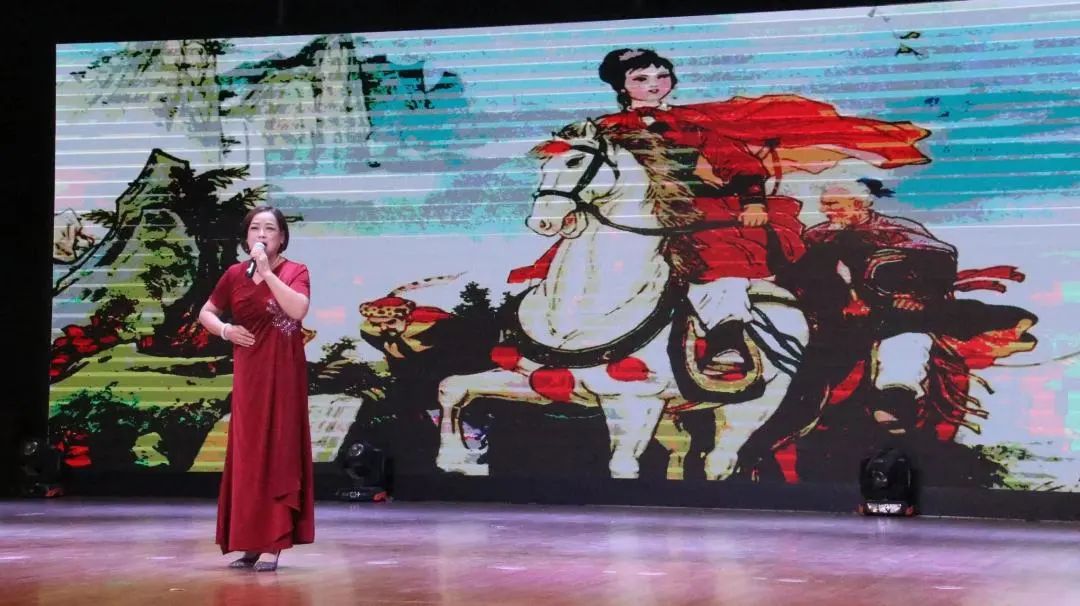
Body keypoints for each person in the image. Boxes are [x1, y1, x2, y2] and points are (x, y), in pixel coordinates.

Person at [736, 177, 1036, 482]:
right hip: (836, 321)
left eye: (834, 204)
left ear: (859, 204)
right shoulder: (819, 236)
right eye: (824, 205)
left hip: (893, 314)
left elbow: (937, 265)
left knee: (907, 343)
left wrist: (913, 297)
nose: (827, 211)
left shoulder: (898, 231)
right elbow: (799, 274)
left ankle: (896, 401)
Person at [596, 48, 807, 370]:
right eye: (641, 78)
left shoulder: (692, 123)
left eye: (662, 76)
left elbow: (738, 162)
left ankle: (727, 339)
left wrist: (752, 201)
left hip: (693, 206)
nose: (654, 84)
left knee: (717, 252)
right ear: (621, 86)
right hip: (628, 211)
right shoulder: (603, 128)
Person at [198, 205, 314, 571]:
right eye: (255, 228)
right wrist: (225, 330)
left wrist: (266, 273)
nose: (261, 234)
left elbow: (298, 310)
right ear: (246, 236)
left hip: (283, 372)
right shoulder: (234, 274)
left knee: (278, 449)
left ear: (282, 237)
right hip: (249, 372)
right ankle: (249, 541)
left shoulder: (295, 271)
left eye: (269, 229)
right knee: (248, 454)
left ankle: (273, 542)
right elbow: (206, 312)